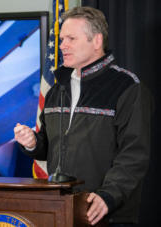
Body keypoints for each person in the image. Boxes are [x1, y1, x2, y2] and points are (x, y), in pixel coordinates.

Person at [14, 6, 151, 227]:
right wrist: (32, 143)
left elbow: (134, 155)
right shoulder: (57, 90)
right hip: (59, 211)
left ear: (96, 41)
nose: (62, 46)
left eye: (71, 39)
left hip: (106, 215)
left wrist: (108, 196)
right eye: (61, 39)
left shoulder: (127, 87)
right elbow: (49, 147)